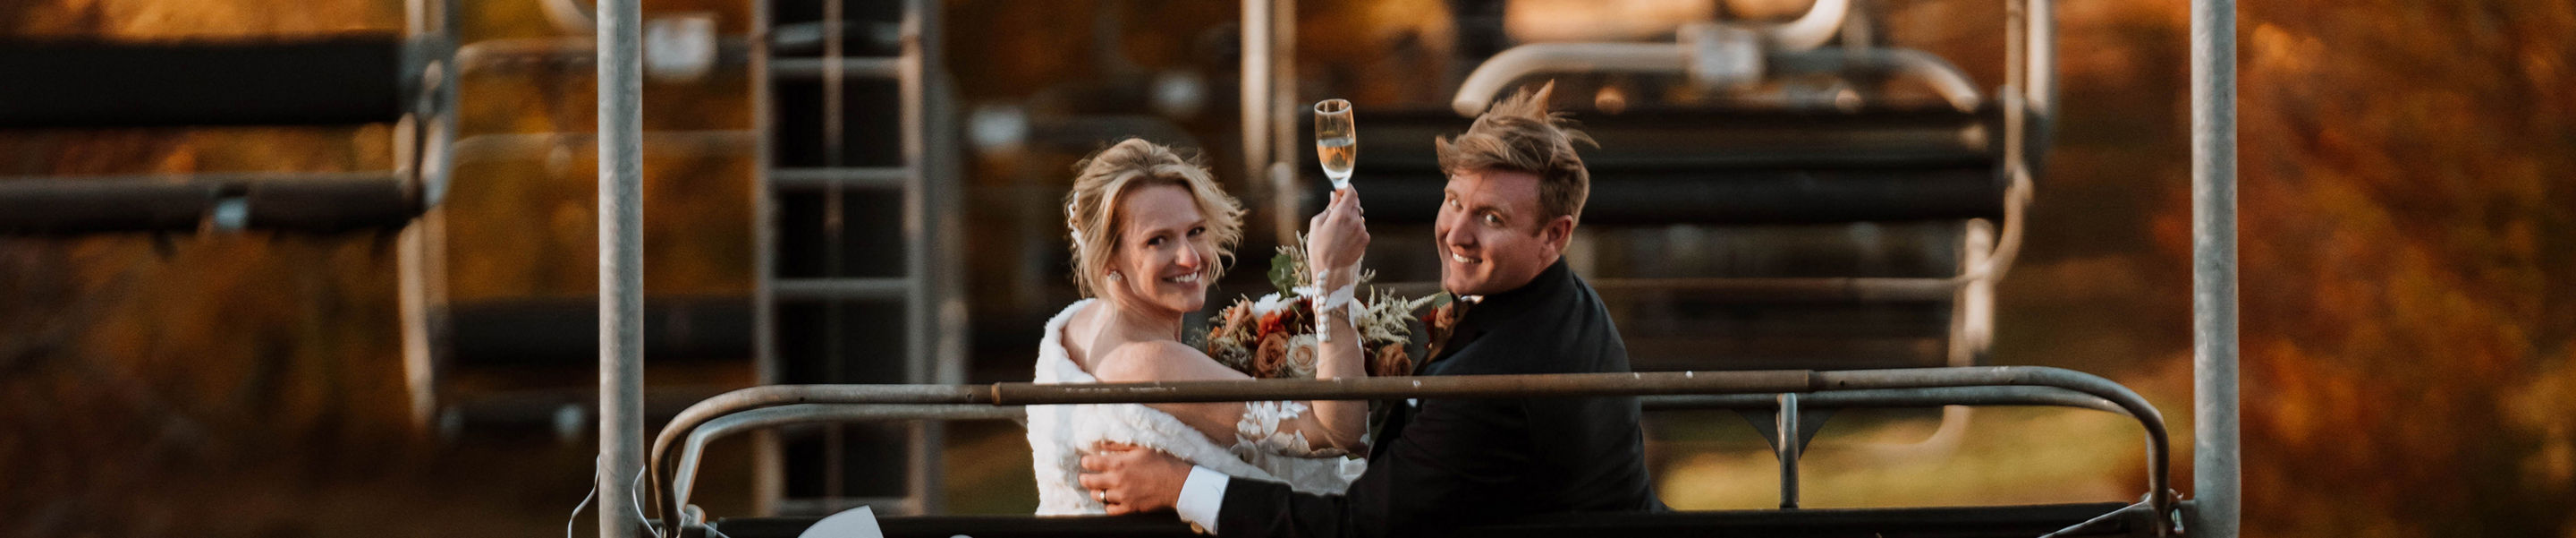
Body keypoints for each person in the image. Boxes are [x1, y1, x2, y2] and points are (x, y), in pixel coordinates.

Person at [1077, 82, 1663, 537]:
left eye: (1492, 218)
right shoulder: (1564, 300)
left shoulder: (1495, 376)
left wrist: (1178, 483)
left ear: (1555, 235)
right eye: (1454, 201)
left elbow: (1354, 526)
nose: (1456, 233)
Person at [1027, 138, 1377, 517]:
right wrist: (1333, 279)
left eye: (1195, 231)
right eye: (1158, 240)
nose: (1189, 257)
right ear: (1108, 256)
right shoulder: (1151, 362)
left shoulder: (1083, 321)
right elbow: (1338, 435)